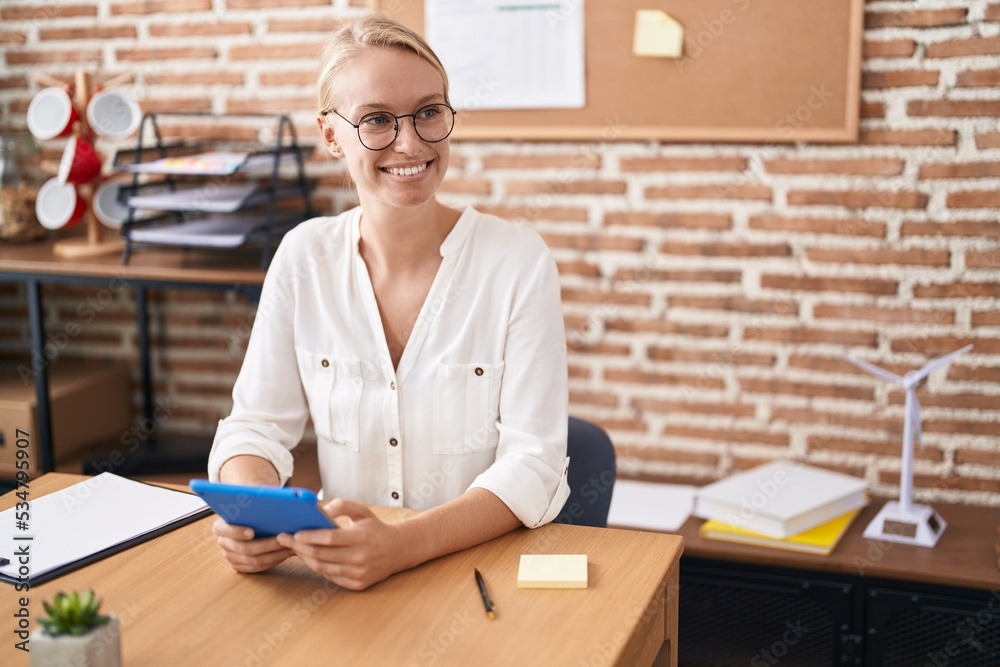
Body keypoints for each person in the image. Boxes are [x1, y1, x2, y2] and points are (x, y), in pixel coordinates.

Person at [207, 15, 570, 591]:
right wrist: (249, 512)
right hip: (343, 573)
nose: (411, 142)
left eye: (429, 112)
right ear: (331, 135)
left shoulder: (518, 262)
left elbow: (534, 464)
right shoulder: (303, 257)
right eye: (377, 120)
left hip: (479, 575)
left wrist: (403, 545)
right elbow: (254, 428)